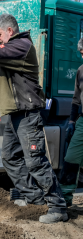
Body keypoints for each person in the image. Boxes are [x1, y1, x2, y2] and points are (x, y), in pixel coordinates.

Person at [0, 0, 67, 223]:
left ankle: (58, 207)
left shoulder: (22, 46)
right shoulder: (10, 43)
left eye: (0, 35)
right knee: (9, 157)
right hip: (14, 113)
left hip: (28, 114)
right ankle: (36, 198)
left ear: (10, 31)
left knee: (35, 161)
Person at [59, 38, 83, 206]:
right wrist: (72, 122)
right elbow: (75, 100)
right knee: (71, 157)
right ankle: (65, 200)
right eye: (81, 53)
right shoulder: (81, 71)